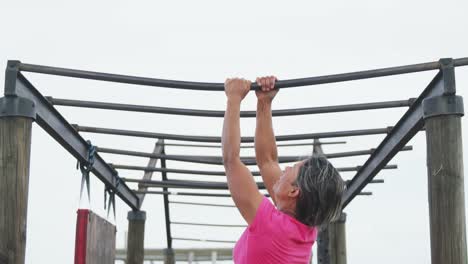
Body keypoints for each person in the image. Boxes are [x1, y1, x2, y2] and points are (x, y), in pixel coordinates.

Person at [221, 76, 346, 263]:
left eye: (293, 168)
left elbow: (231, 161)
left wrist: (233, 99)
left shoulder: (271, 227)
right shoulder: (303, 231)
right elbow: (268, 160)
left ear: (294, 191)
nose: (285, 168)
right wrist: (264, 102)